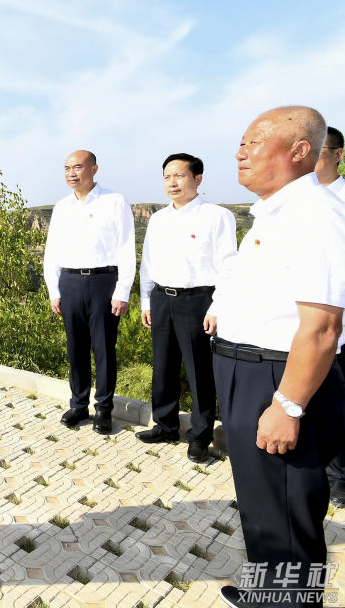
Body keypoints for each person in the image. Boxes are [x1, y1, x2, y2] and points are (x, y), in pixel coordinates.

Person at [206, 107, 345, 608]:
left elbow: (322, 328)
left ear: (300, 150)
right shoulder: (275, 213)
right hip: (250, 373)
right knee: (265, 508)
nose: (240, 152)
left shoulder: (315, 216)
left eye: (254, 141)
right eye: (241, 142)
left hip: (279, 378)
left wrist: (288, 405)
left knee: (286, 513)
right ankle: (268, 594)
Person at [135, 154, 236, 463]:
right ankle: (165, 426)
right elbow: (148, 262)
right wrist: (146, 300)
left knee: (199, 371)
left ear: (197, 179)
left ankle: (200, 436)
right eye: (167, 177)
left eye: (179, 175)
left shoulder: (217, 216)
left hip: (198, 301)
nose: (172, 182)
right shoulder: (158, 219)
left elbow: (228, 266)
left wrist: (219, 306)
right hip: (162, 298)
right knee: (163, 367)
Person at [44, 150, 135, 435]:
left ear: (94, 169)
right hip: (70, 282)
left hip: (103, 281)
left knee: (104, 349)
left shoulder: (114, 201)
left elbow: (126, 247)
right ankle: (79, 405)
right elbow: (52, 252)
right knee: (76, 348)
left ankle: (104, 410)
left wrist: (122, 290)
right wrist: (54, 289)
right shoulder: (61, 207)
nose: (72, 173)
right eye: (67, 168)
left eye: (78, 167)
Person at [314, 125, 345, 509]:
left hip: (337, 322)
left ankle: (338, 477)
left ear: (338, 154)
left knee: (338, 401)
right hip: (302, 323)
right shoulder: (296, 202)